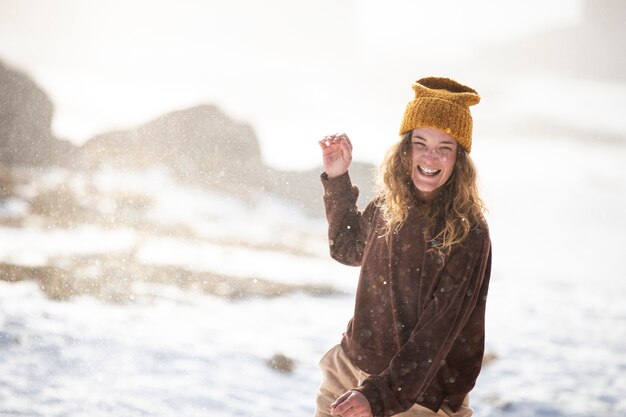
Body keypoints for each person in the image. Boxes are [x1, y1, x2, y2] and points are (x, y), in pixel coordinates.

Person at [315, 76, 492, 417]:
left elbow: (437, 332)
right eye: (420, 143)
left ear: (460, 159)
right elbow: (347, 249)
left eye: (445, 147)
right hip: (349, 370)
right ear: (405, 148)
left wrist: (379, 396)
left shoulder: (468, 232)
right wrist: (338, 179)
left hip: (418, 395)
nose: (430, 157)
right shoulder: (389, 204)